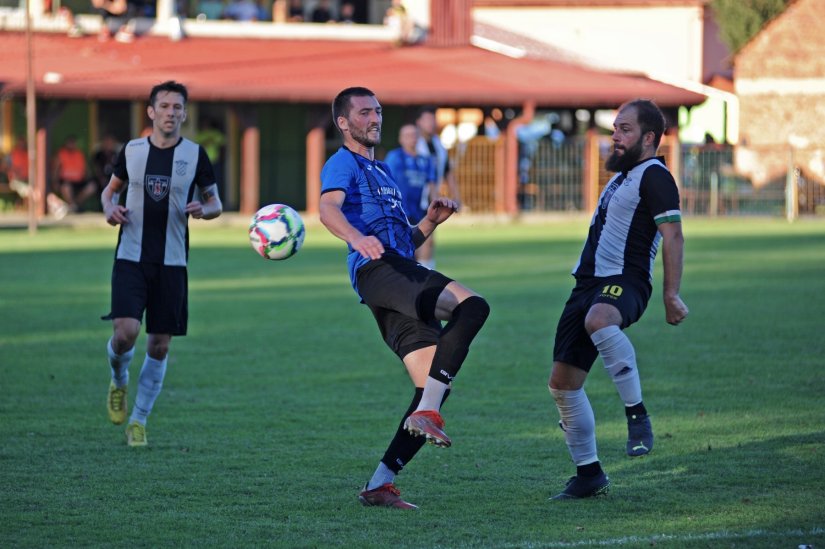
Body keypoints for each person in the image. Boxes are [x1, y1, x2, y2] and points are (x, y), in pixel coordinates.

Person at [319, 87, 490, 509]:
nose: (375, 118)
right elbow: (327, 209)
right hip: (380, 272)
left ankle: (379, 484)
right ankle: (427, 412)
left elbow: (403, 243)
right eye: (364, 113)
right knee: (473, 306)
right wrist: (358, 238)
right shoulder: (344, 163)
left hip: (392, 271)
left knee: (431, 382)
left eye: (377, 111)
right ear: (344, 123)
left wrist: (430, 222)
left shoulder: (386, 174)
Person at [547, 99, 689, 500]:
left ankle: (637, 414)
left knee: (600, 319)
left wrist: (671, 294)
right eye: (614, 129)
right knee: (563, 385)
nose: (615, 136)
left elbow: (673, 235)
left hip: (624, 281)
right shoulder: (620, 178)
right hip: (587, 285)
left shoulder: (655, 176)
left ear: (648, 137)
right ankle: (589, 474)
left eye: (624, 130)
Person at [101, 80, 223, 448]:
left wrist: (205, 210)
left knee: (159, 346)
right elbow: (110, 191)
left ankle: (138, 421)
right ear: (151, 112)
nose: (171, 112)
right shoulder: (133, 151)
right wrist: (110, 210)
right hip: (130, 257)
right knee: (125, 333)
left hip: (172, 262)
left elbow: (215, 203)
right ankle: (119, 379)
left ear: (184, 114)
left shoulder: (195, 154)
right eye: (164, 106)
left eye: (177, 107)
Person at [414, 107, 460, 269]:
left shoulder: (438, 145)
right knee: (414, 242)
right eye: (427, 120)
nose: (431, 123)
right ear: (419, 122)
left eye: (433, 120)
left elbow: (448, 172)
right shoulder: (414, 144)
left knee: (428, 240)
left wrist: (456, 195)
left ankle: (425, 277)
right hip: (412, 200)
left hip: (429, 200)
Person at [384, 124, 435, 227]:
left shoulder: (426, 160)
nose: (412, 138)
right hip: (398, 211)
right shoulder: (394, 157)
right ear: (400, 139)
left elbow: (432, 185)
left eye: (414, 135)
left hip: (419, 211)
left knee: (426, 241)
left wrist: (435, 204)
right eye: (407, 135)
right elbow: (385, 181)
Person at [54, 134, 96, 212]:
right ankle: (72, 206)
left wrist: (89, 176)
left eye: (73, 143)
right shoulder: (61, 153)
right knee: (66, 187)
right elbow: (56, 169)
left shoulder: (80, 154)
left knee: (92, 186)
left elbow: (87, 169)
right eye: (70, 143)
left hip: (79, 180)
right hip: (66, 181)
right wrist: (55, 182)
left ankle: (75, 204)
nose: (71, 145)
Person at [90, 134, 121, 205]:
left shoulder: (116, 154)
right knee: (91, 187)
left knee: (118, 187)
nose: (108, 144)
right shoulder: (98, 154)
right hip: (100, 180)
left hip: (114, 179)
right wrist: (102, 179)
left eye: (110, 142)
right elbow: (96, 169)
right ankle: (75, 205)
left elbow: (119, 169)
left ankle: (113, 205)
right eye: (107, 142)